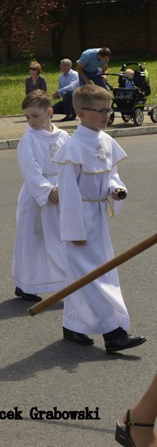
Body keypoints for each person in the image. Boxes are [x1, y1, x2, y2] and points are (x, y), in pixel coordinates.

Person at [53, 84, 145, 353]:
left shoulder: (105, 140)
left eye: (109, 109)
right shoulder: (73, 147)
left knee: (91, 273)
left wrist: (115, 189)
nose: (107, 115)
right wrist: (74, 231)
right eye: (101, 110)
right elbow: (68, 194)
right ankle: (114, 333)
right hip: (80, 221)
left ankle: (74, 325)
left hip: (97, 218)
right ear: (81, 113)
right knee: (93, 277)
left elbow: (110, 174)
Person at [12, 90, 69, 302]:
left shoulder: (63, 136)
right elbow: (30, 171)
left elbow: (70, 164)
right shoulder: (28, 140)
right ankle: (25, 284)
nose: (31, 121)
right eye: (27, 117)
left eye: (36, 116)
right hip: (38, 196)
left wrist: (65, 187)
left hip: (61, 192)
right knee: (33, 240)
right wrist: (48, 191)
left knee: (60, 239)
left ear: (49, 112)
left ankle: (67, 283)